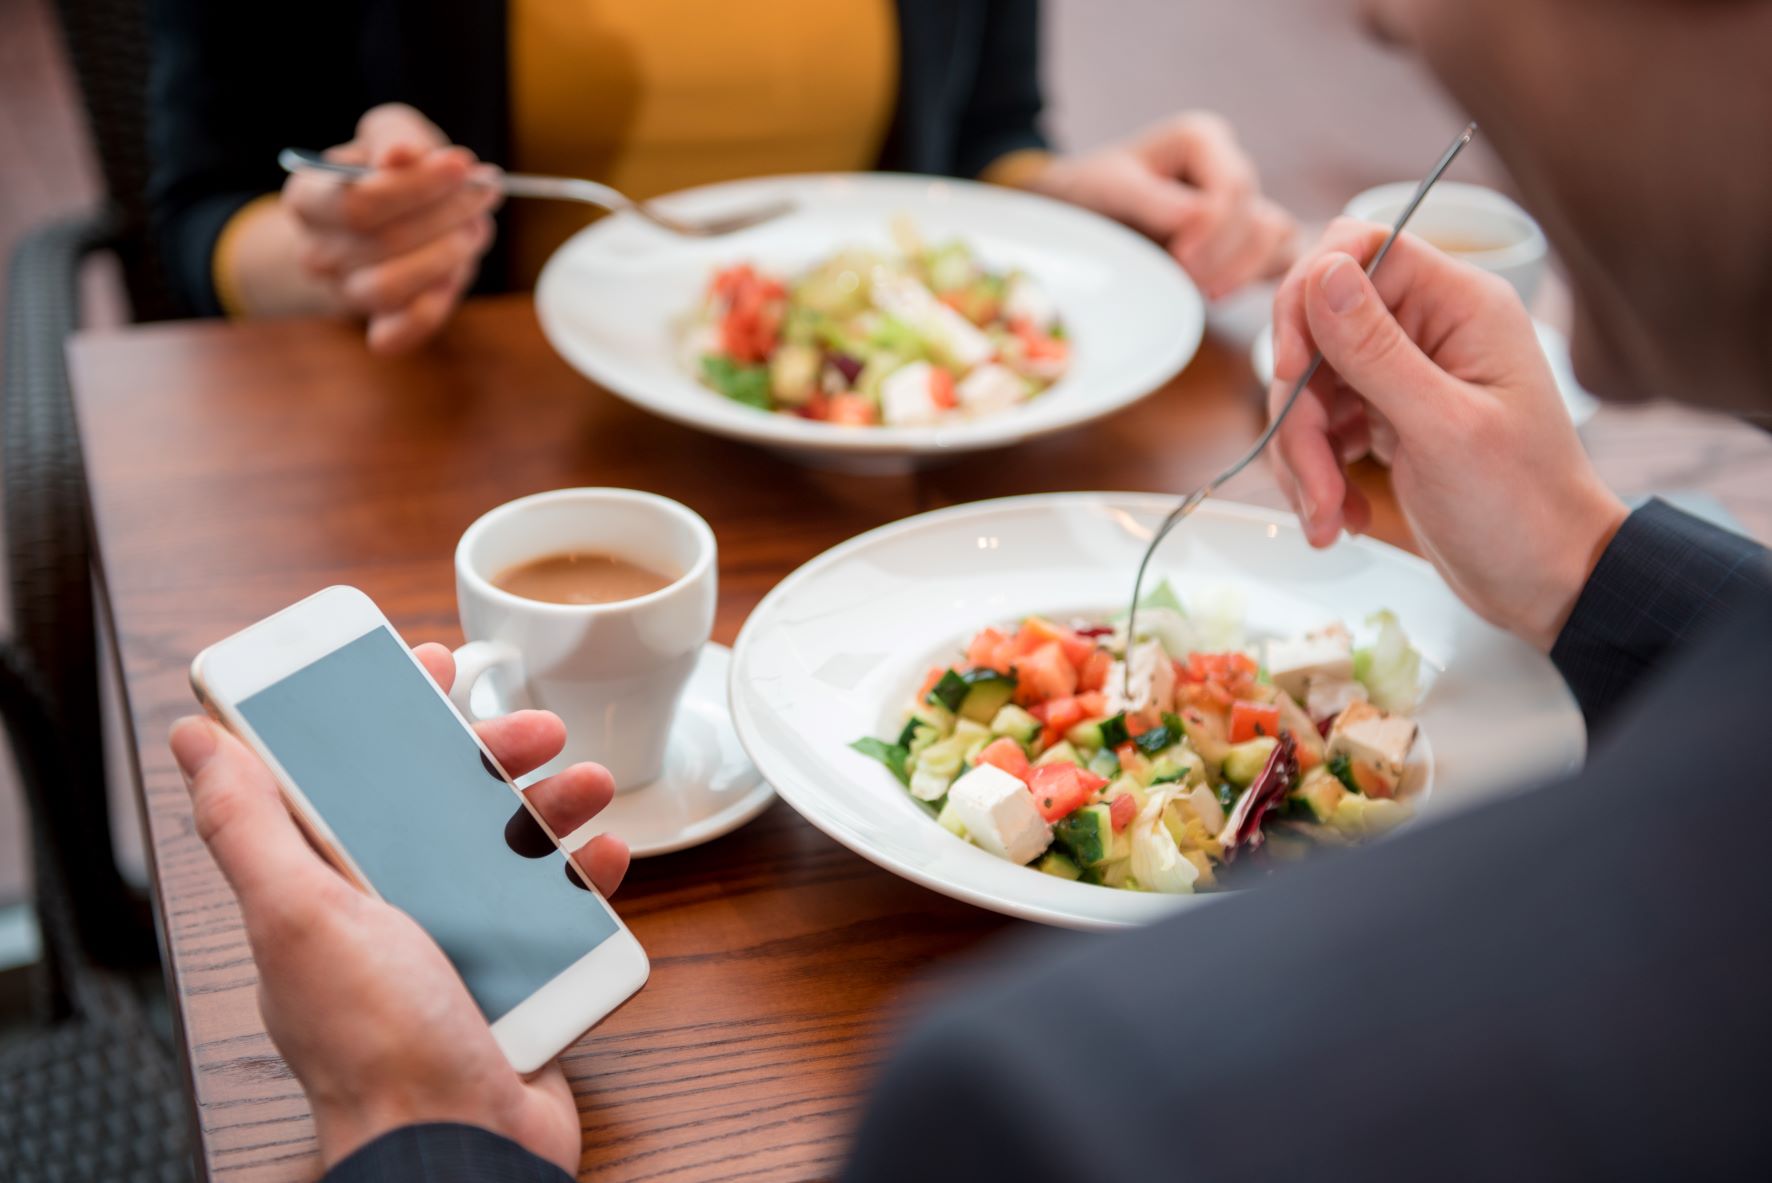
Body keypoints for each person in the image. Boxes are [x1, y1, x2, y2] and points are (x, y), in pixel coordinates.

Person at [167, 0, 1772, 1178]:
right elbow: (189, 204)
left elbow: (984, 117)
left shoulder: (1071, 1109)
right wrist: (1577, 555)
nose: (1379, 14)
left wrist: (420, 1132)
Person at [148, 0, 1295, 353]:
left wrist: (1058, 202)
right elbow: (202, 210)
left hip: (878, 477)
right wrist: (339, 247)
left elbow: (983, 132)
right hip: (471, 453)